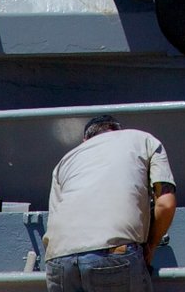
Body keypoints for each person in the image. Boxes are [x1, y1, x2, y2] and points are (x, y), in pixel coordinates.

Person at [43, 114, 177, 291]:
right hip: (114, 254)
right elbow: (165, 204)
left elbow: (54, 219)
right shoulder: (144, 140)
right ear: (117, 132)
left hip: (58, 260)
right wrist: (151, 246)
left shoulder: (65, 161)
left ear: (85, 140)